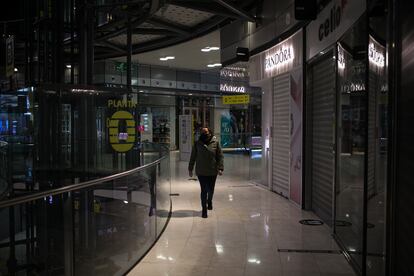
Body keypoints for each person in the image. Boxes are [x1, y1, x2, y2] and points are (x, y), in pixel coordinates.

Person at [189, 127, 224, 218]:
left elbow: (220, 156)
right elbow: (193, 156)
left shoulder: (215, 142)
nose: (204, 133)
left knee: (211, 190)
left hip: (212, 171)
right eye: (203, 132)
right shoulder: (197, 143)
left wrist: (220, 168)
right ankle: (204, 209)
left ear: (209, 132)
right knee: (204, 190)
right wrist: (190, 168)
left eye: (206, 131)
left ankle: (209, 200)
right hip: (201, 171)